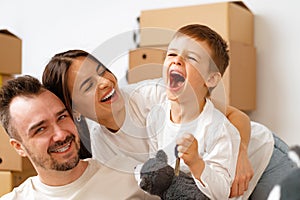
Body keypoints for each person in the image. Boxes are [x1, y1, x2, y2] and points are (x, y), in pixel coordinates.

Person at [42, 49, 254, 196]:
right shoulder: (102, 148)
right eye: (88, 85)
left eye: (101, 71)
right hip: (221, 189)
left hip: (259, 157)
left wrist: (241, 154)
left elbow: (236, 116)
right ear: (74, 109)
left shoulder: (153, 95)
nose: (105, 82)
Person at [145, 24, 297, 199]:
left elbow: (221, 192)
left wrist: (196, 162)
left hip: (267, 160)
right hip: (225, 173)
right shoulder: (156, 116)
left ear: (210, 78)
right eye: (172, 54)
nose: (177, 60)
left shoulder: (217, 128)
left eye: (191, 58)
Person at [0, 75, 156, 200]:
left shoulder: (129, 175)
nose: (60, 134)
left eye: (62, 117)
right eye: (41, 129)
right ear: (19, 147)